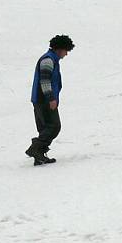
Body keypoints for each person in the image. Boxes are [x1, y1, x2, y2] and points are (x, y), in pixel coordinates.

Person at [25, 35, 75, 165]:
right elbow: (45, 81)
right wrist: (51, 98)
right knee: (54, 126)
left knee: (45, 127)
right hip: (44, 100)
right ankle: (35, 149)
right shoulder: (48, 60)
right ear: (59, 49)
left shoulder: (52, 59)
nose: (66, 54)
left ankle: (39, 156)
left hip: (40, 100)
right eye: (66, 50)